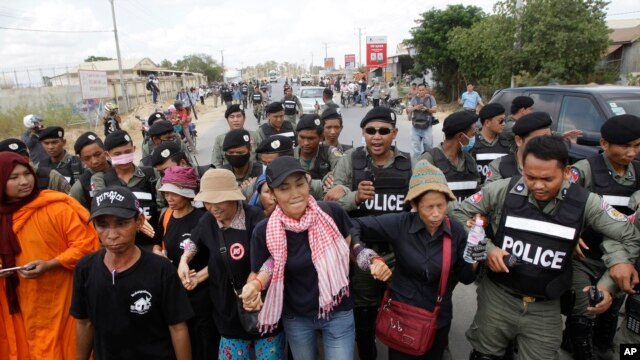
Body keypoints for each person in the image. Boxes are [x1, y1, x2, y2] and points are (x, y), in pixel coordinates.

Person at [452, 135, 639, 359]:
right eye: (530, 177)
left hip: (545, 305)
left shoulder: (586, 202)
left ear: (567, 172)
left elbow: (628, 234)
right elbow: (457, 213)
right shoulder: (503, 190)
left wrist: (610, 281)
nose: (538, 186)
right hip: (498, 297)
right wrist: (487, 248)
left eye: (547, 179)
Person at [244, 156, 390, 359]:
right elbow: (267, 266)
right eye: (284, 188)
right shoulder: (265, 231)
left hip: (338, 312)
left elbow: (354, 251)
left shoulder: (332, 212)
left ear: (308, 183)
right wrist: (253, 288)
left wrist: (373, 261)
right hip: (296, 317)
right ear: (273, 193)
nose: (295, 194)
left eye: (299, 184)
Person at [350, 160, 478, 359]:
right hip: (402, 317)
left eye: (441, 206)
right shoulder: (400, 223)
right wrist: (364, 254)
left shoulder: (456, 231)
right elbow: (353, 224)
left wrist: (475, 259)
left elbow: (466, 277)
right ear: (415, 205)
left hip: (437, 319)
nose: (436, 214)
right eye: (428, 207)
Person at [328, 107, 413, 360]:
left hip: (400, 252)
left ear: (394, 133)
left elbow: (428, 198)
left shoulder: (410, 163)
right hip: (363, 252)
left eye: (384, 131)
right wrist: (355, 196)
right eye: (371, 131)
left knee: (403, 309)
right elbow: (332, 204)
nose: (377, 137)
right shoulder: (350, 160)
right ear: (363, 133)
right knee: (364, 312)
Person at [70, 186, 193, 360]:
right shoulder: (85, 268)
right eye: (102, 225)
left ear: (139, 221)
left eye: (121, 223)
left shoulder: (161, 270)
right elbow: (84, 322)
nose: (112, 234)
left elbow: (178, 327)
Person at [0, 151, 99, 360]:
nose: (24, 181)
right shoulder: (2, 218)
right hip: (18, 304)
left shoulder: (56, 207)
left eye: (26, 174)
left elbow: (88, 246)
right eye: (14, 177)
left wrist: (52, 264)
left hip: (59, 299)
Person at [178, 169, 286, 359]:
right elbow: (194, 242)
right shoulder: (208, 221)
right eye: (208, 202)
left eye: (220, 201)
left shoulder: (256, 219)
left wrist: (258, 285)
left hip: (262, 306)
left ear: (235, 198)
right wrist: (184, 260)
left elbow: (273, 257)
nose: (213, 207)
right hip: (227, 311)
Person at [564, 114, 640, 359]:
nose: (631, 153)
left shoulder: (638, 173)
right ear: (605, 144)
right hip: (585, 257)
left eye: (637, 146)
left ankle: (606, 348)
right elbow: (561, 205)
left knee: (610, 312)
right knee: (585, 307)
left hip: (622, 260)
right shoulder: (584, 171)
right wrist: (571, 236)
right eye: (625, 146)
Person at [155, 166, 219, 359]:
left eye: (175, 193)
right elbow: (157, 245)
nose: (169, 197)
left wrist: (197, 278)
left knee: (205, 342)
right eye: (166, 192)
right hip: (175, 292)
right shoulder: (165, 215)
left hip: (203, 294)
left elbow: (217, 258)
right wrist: (160, 256)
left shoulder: (204, 220)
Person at [91, 130, 159, 251]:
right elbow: (103, 207)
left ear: (134, 148)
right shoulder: (101, 179)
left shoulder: (151, 174)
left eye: (127, 152)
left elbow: (163, 206)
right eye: (117, 154)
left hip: (152, 243)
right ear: (107, 155)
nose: (123, 157)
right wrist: (137, 219)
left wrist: (158, 245)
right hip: (119, 245)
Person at [419, 111, 481, 203]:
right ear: (460, 136)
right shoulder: (429, 160)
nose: (474, 138)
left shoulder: (469, 160)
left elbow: (477, 194)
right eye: (472, 135)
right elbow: (422, 200)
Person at [484, 112, 553, 184]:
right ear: (519, 141)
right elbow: (489, 193)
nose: (545, 144)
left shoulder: (555, 164)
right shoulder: (499, 166)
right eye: (538, 140)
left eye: (548, 138)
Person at [0, 138, 71, 194]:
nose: (24, 182)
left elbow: (71, 200)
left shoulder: (51, 176)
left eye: (22, 158)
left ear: (28, 158)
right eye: (14, 177)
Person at [69, 132, 111, 209]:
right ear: (81, 160)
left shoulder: (122, 170)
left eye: (97, 154)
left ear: (105, 151)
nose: (94, 161)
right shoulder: (79, 187)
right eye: (87, 158)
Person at [294, 114, 342, 181]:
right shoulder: (290, 155)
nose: (306, 143)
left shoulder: (330, 152)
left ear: (321, 138)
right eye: (302, 137)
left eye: (311, 138)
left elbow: (341, 174)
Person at [470, 103, 510, 185]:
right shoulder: (470, 143)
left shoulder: (507, 143)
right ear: (487, 123)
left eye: (504, 120)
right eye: (500, 121)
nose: (504, 124)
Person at [211, 105, 259, 169]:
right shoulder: (220, 139)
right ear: (227, 120)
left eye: (238, 116)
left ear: (244, 118)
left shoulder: (254, 135)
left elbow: (262, 159)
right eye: (232, 117)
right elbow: (216, 163)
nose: (235, 120)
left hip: (253, 175)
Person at [407, 83, 438, 159]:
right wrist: (416, 107)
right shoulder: (414, 98)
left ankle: (427, 165)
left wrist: (427, 109)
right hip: (415, 127)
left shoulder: (431, 98)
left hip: (427, 127)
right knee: (416, 151)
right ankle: (416, 166)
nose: (421, 92)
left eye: (423, 90)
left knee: (428, 149)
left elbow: (435, 110)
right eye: (420, 90)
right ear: (417, 90)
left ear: (426, 90)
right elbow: (408, 109)